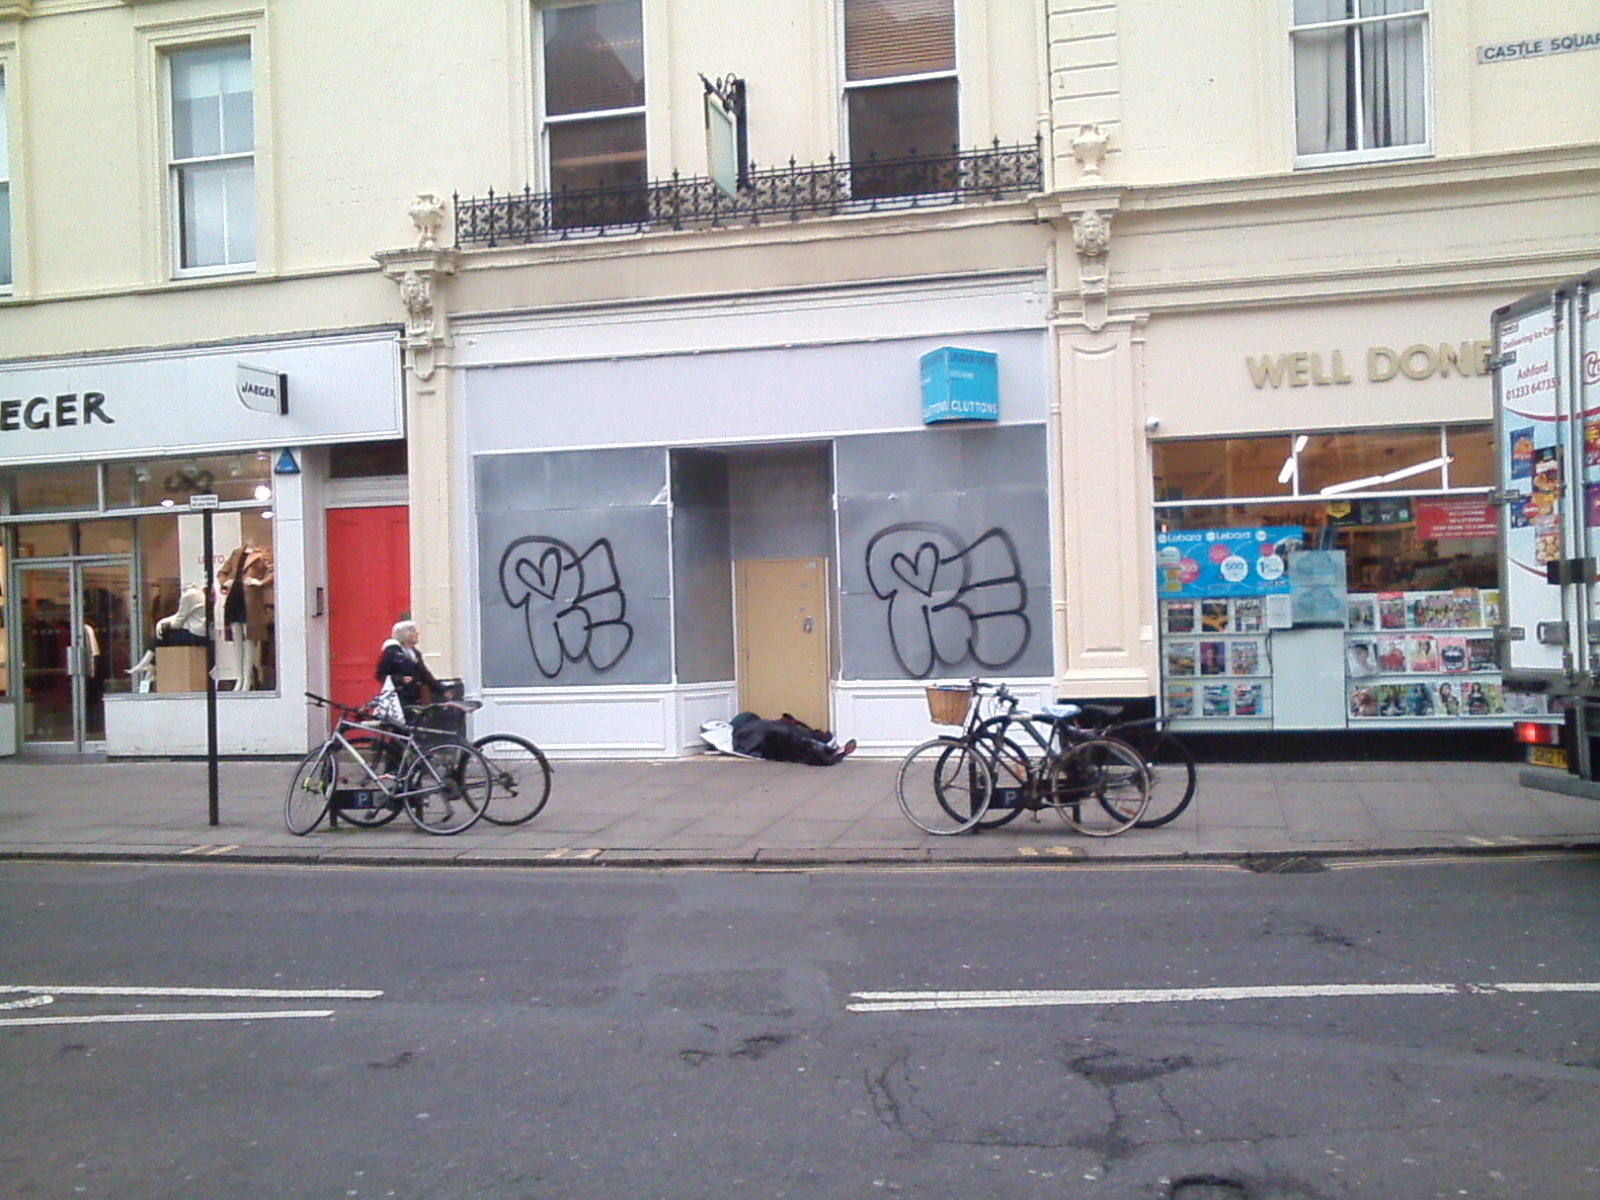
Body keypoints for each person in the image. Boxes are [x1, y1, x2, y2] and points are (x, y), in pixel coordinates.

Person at [373, 620, 442, 776]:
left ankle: (410, 765)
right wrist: (399, 679)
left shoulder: (414, 653)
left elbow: (425, 675)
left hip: (413, 699)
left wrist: (441, 690)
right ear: (404, 634)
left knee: (410, 732)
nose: (417, 633)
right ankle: (393, 767)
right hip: (399, 699)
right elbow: (380, 674)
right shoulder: (392, 652)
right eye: (412, 631)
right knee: (399, 732)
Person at [729, 711, 856, 766]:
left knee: (799, 749)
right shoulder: (758, 724)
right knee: (802, 743)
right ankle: (830, 752)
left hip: (772, 738)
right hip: (778, 734)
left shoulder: (743, 730)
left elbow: (744, 746)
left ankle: (829, 754)